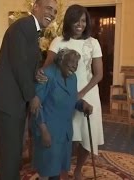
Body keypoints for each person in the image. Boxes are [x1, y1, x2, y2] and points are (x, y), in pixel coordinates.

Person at [0, 0, 57, 179]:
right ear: (36, 7)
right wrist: (32, 96)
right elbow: (18, 65)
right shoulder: (23, 26)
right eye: (48, 8)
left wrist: (36, 72)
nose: (52, 13)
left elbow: (24, 61)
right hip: (6, 100)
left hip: (12, 100)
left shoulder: (32, 30)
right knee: (10, 154)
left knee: (13, 152)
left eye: (55, 11)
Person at [36, 4, 104, 179]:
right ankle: (61, 168)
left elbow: (99, 74)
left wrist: (81, 94)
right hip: (61, 93)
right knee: (65, 133)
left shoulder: (93, 43)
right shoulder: (58, 41)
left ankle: (78, 169)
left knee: (86, 138)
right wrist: (40, 78)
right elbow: (48, 66)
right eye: (76, 20)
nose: (80, 24)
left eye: (83, 20)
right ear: (69, 21)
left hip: (87, 93)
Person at [31, 48, 93, 180]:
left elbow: (71, 98)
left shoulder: (72, 77)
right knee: (48, 169)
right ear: (60, 61)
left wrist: (82, 104)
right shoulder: (47, 75)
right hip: (49, 129)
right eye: (71, 62)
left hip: (64, 131)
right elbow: (36, 106)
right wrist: (43, 130)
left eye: (76, 63)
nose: (74, 66)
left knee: (57, 168)